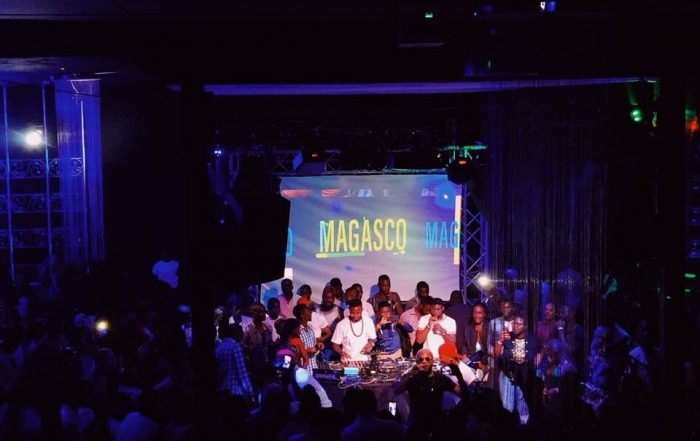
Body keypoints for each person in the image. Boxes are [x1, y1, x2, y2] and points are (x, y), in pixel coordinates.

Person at [393, 348, 460, 441]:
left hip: (436, 421)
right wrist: (410, 372)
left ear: (432, 361)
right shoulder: (413, 379)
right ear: (417, 362)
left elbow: (459, 391)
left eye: (427, 359)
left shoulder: (440, 378)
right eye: (421, 359)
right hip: (417, 421)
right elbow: (397, 390)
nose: (424, 362)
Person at [495, 315, 535, 425]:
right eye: (514, 323)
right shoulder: (507, 338)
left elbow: (535, 356)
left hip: (524, 377)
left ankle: (524, 428)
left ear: (525, 326)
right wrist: (500, 341)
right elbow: (496, 355)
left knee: (523, 405)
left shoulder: (532, 340)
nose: (515, 326)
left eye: (519, 324)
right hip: (508, 376)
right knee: (507, 406)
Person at [215, 323, 254, 400]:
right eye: (241, 332)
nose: (243, 336)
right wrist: (251, 392)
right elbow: (242, 373)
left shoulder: (218, 348)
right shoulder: (235, 346)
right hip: (234, 392)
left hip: (221, 392)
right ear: (236, 333)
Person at [487, 299, 515, 390]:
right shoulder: (493, 323)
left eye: (508, 307)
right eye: (503, 307)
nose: (506, 310)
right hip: (497, 362)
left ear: (513, 308)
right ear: (500, 309)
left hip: (513, 362)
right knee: (495, 389)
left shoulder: (518, 323)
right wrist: (495, 354)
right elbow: (488, 344)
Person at [462, 302, 489, 381]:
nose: (477, 315)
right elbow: (464, 344)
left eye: (479, 313)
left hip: (486, 363)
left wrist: (483, 365)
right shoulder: (468, 328)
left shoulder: (489, 327)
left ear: (484, 314)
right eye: (475, 313)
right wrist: (464, 356)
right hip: (472, 361)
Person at [316, 286, 344, 362]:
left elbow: (343, 329)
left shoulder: (338, 310)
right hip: (319, 342)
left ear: (334, 298)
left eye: (331, 298)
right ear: (322, 297)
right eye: (326, 297)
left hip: (332, 344)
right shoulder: (317, 309)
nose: (328, 300)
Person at [447, 289, 472, 356]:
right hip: (467, 342)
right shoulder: (470, 309)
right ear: (461, 299)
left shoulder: (448, 311)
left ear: (451, 300)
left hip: (454, 342)